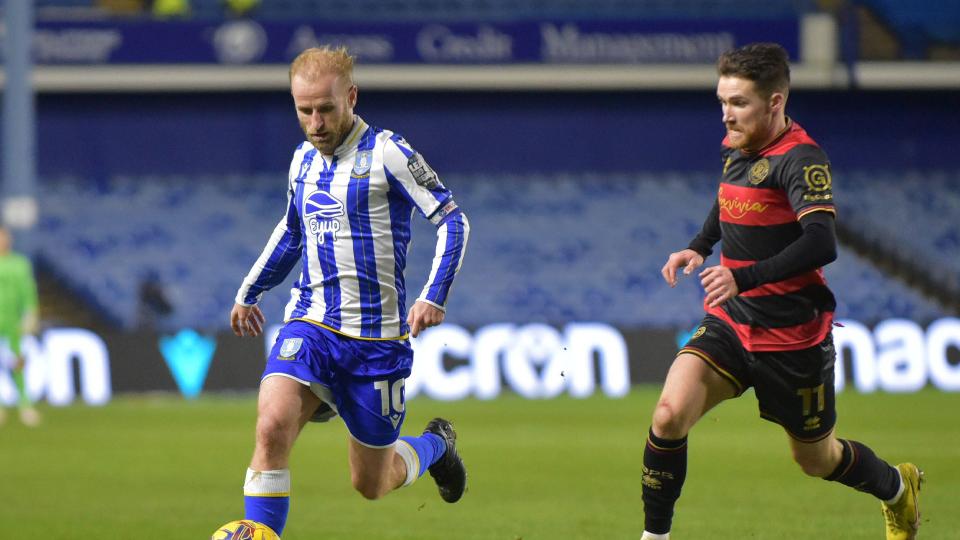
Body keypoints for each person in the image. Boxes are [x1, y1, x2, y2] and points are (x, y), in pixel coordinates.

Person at [640, 43, 922, 540]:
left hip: (792, 338)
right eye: (722, 102)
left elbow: (822, 242)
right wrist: (699, 246)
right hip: (732, 320)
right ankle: (655, 537)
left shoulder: (802, 160)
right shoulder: (738, 146)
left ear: (775, 102)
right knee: (668, 414)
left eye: (739, 103)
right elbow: (728, 198)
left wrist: (742, 276)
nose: (726, 115)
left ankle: (897, 487)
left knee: (817, 459)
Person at [229, 46, 469, 537]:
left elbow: (452, 220)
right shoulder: (300, 161)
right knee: (272, 425)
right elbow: (293, 232)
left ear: (351, 97)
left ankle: (436, 445)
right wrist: (249, 291)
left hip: (377, 344)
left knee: (372, 484)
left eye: (326, 108)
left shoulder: (389, 154)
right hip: (312, 324)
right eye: (304, 111)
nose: (315, 122)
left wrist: (433, 294)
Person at [0, 225, 41, 427]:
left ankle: (25, 404)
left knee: (17, 363)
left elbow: (28, 290)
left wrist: (30, 313)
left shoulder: (20, 263)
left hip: (11, 322)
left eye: (4, 237)